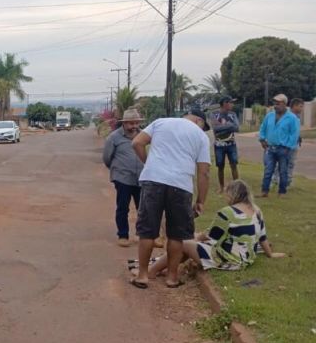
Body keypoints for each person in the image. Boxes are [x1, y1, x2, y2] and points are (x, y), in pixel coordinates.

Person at [129, 109, 211, 289]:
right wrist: (200, 200)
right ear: (198, 121)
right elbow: (204, 172)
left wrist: (149, 162)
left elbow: (137, 143)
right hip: (181, 185)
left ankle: (143, 275)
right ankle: (172, 277)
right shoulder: (201, 137)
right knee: (177, 234)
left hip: (153, 180)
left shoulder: (160, 122)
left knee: (147, 230)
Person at [140, 180, 285, 278]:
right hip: (247, 258)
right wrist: (270, 254)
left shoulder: (228, 212)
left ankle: (152, 271)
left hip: (230, 260)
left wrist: (193, 238)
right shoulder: (256, 210)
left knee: (183, 244)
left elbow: (210, 237)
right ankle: (164, 268)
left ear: (232, 194)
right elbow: (263, 238)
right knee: (188, 244)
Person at [102, 108, 145, 247]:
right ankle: (123, 235)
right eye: (130, 123)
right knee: (123, 207)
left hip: (142, 177)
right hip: (123, 178)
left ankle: (141, 234)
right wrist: (117, 171)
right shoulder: (114, 137)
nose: (133, 126)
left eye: (136, 123)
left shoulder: (144, 136)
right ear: (124, 123)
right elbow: (107, 158)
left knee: (143, 208)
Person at [258, 93, 300, 197]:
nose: (275, 106)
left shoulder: (292, 118)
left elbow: (294, 134)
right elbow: (263, 128)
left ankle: (282, 192)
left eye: (278, 103)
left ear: (285, 104)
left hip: (283, 148)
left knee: (283, 171)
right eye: (275, 103)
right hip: (270, 147)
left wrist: (288, 147)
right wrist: (262, 139)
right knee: (268, 170)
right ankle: (264, 191)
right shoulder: (270, 115)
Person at [210, 96, 240, 193]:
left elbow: (236, 128)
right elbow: (215, 129)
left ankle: (236, 187)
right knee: (220, 166)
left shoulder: (233, 114)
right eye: (231, 102)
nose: (232, 105)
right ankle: (221, 187)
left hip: (231, 144)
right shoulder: (214, 114)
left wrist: (222, 126)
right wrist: (229, 126)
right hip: (219, 145)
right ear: (225, 103)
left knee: (234, 165)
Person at [273, 98, 304, 188]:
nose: (302, 109)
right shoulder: (286, 116)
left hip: (294, 144)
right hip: (286, 144)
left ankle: (287, 181)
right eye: (300, 106)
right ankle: (275, 179)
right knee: (281, 163)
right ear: (294, 106)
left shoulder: (297, 117)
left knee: (291, 163)